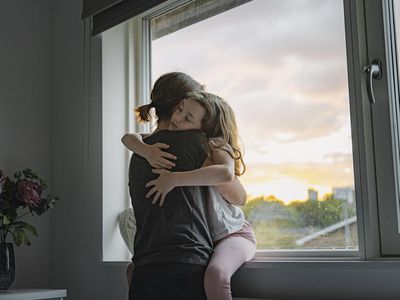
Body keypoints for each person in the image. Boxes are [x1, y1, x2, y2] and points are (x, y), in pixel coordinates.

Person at [124, 90, 256, 300]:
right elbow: (129, 137)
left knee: (216, 275)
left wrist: (173, 179)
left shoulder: (214, 147)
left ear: (204, 129)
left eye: (187, 118)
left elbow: (227, 175)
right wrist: (145, 150)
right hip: (207, 239)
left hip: (233, 234)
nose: (177, 118)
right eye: (180, 109)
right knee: (133, 268)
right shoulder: (179, 147)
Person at [127, 74, 215, 300]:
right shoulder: (197, 144)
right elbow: (237, 195)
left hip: (144, 267)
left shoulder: (140, 151)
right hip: (187, 262)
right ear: (181, 106)